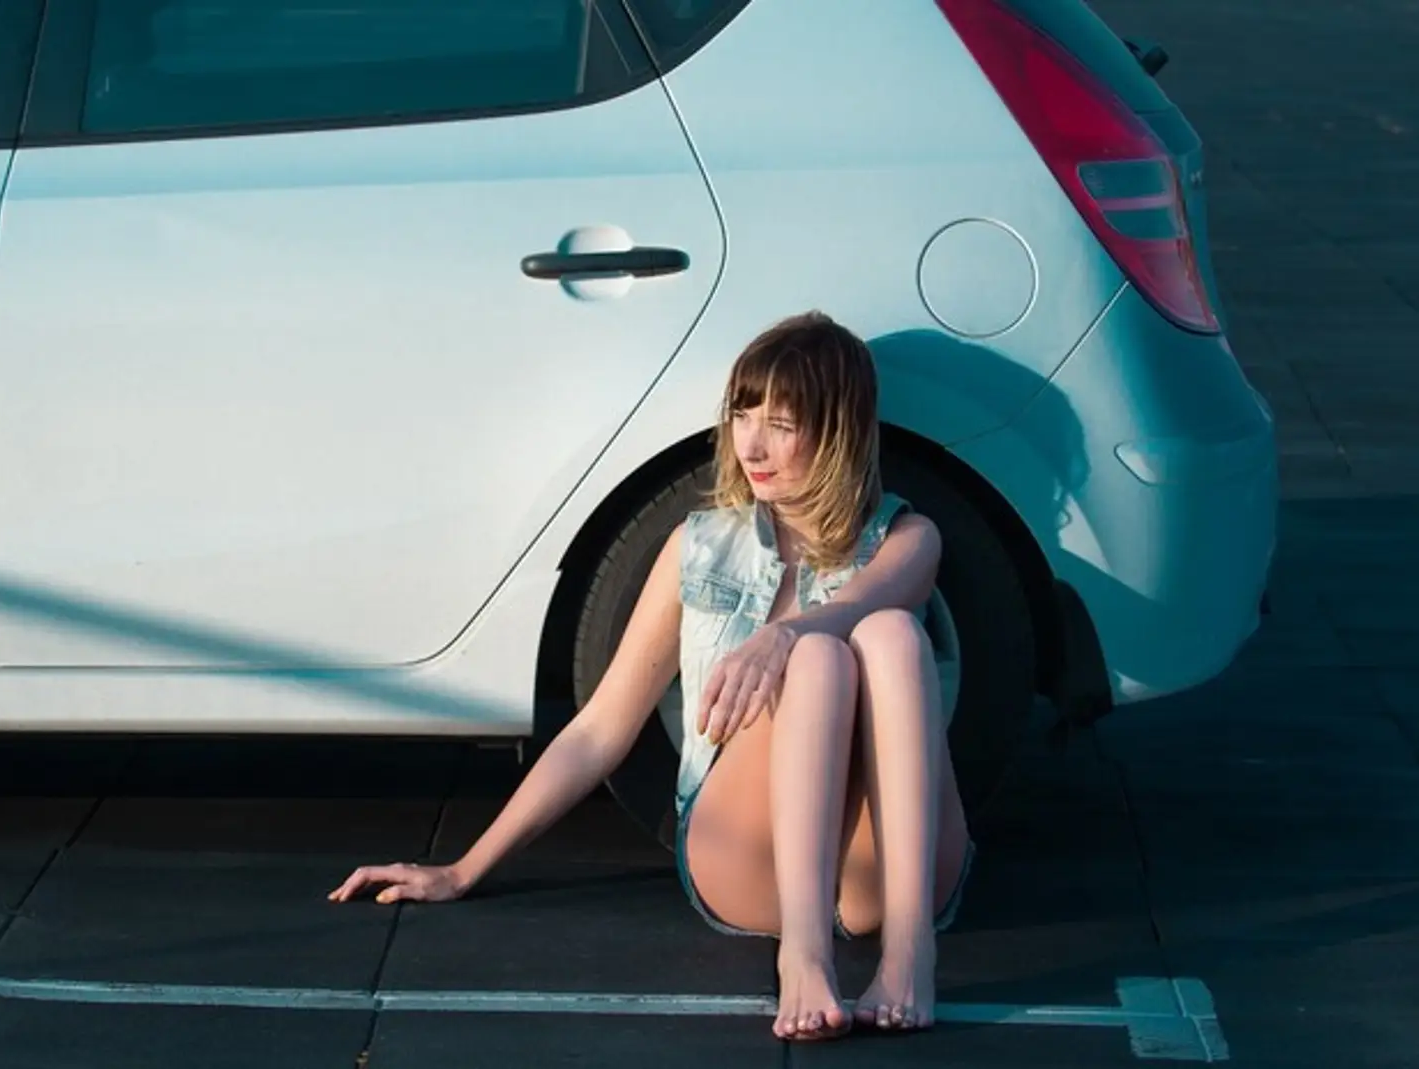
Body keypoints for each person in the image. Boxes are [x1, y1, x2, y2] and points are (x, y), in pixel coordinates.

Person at [329, 311, 974, 1042]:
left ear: (837, 433)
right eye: (742, 414)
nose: (753, 444)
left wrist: (783, 634)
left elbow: (864, 598)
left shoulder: (910, 538)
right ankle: (804, 956)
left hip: (879, 870)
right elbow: (602, 728)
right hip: (746, 857)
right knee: (820, 659)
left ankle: (909, 955)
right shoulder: (697, 548)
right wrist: (463, 867)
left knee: (882, 633)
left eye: (784, 423)